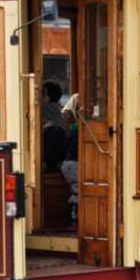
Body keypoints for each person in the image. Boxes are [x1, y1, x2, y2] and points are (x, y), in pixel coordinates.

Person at [60, 94, 79, 229]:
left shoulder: (74, 128)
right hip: (73, 165)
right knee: (78, 192)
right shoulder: (80, 128)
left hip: (69, 164)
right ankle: (73, 221)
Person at [41, 80, 66, 173]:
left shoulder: (43, 107)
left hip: (49, 133)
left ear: (46, 97)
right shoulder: (57, 107)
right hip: (60, 132)